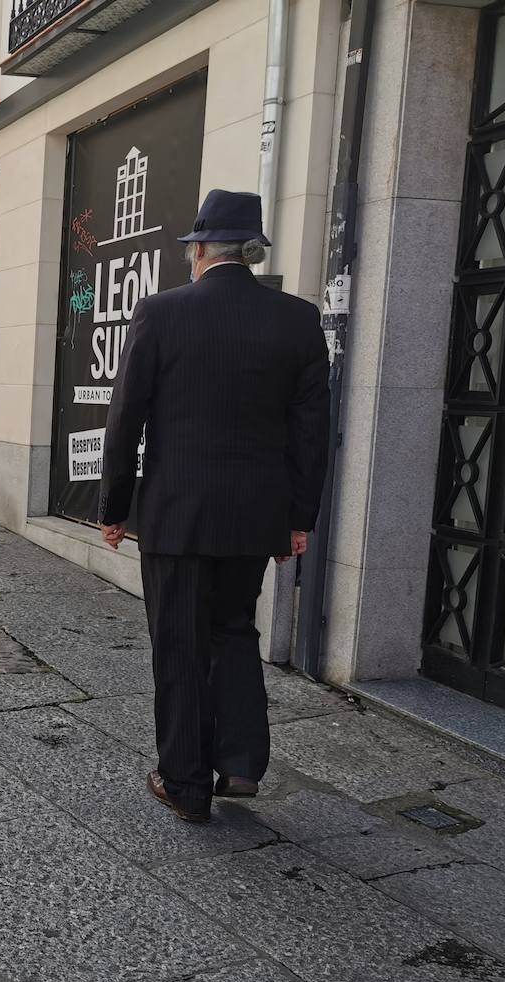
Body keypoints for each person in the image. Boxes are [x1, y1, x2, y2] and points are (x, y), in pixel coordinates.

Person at [98, 189, 330, 824]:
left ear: (199, 250)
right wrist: (298, 518)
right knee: (234, 632)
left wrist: (115, 507)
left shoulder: (160, 313)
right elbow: (311, 432)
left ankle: (186, 783)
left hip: (178, 515)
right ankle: (242, 763)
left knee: (178, 643)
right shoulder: (298, 320)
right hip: (255, 517)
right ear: (251, 252)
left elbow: (125, 423)